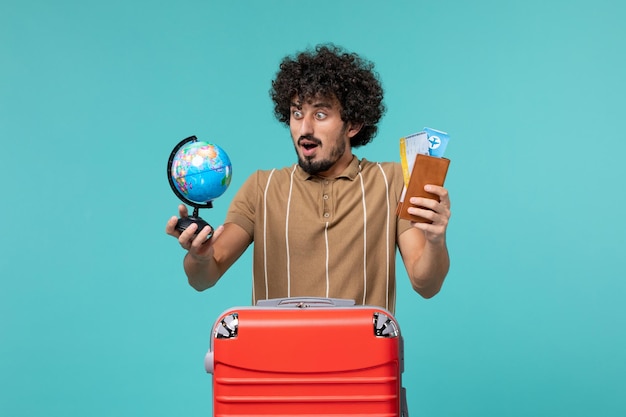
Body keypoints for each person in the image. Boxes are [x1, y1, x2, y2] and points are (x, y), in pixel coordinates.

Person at [166, 44, 451, 312]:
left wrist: (436, 240)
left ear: (353, 124)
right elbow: (204, 277)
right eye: (297, 113)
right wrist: (199, 257)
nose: (305, 128)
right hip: (278, 361)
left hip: (363, 362)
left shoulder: (393, 183)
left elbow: (426, 284)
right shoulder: (261, 188)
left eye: (321, 113)